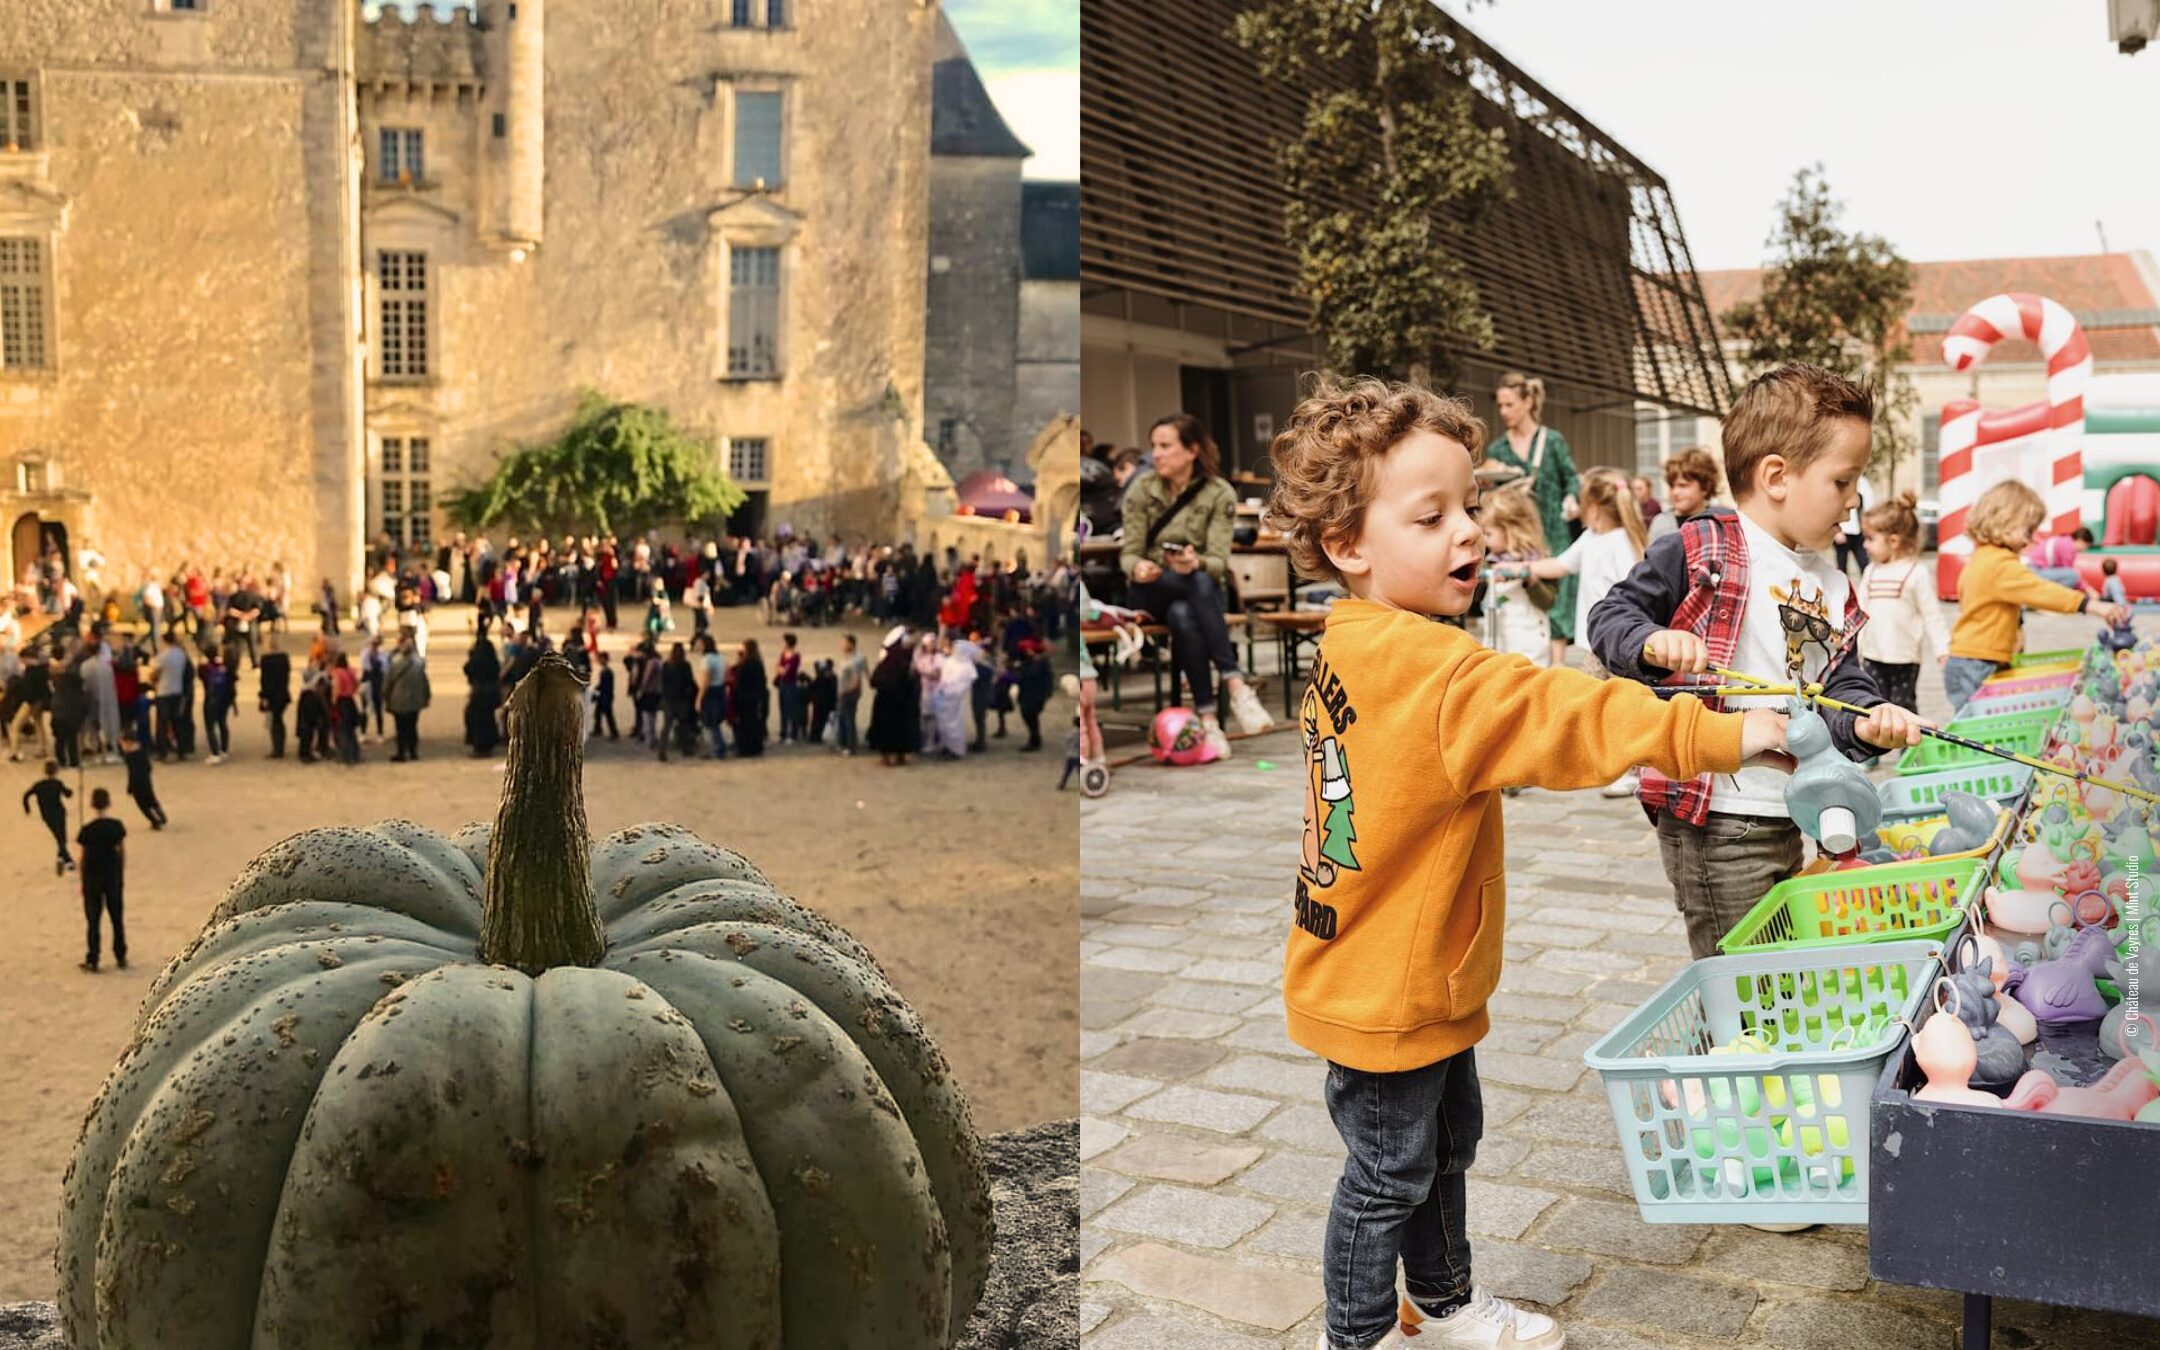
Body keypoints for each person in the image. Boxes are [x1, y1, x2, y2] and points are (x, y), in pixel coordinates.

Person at [1265, 376, 1785, 1350]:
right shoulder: (1435, 669)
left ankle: (1447, 1301)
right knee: (1386, 1176)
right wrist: (1724, 734)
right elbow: (1568, 712)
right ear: (1347, 547)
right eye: (1431, 516)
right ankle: (1360, 1333)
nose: (1469, 531)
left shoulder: (1360, 641)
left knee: (1442, 1148)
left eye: (1469, 505)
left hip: (1408, 971)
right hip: (1387, 984)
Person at [1587, 363, 1928, 959]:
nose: (1853, 503)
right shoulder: (1703, 545)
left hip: (1789, 812)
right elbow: (1609, 618)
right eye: (1843, 483)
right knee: (1742, 977)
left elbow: (1837, 685)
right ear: (1777, 475)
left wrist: (1870, 716)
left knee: (1779, 966)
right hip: (1717, 815)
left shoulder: (1831, 581)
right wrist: (1650, 643)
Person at [1119, 413, 1274, 755]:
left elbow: (1218, 563)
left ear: (1191, 451)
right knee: (1196, 586)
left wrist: (1195, 561)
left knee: (1184, 613)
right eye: (1154, 447)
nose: (1156, 454)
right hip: (1149, 591)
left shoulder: (1219, 493)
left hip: (1193, 591)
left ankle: (1207, 720)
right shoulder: (1142, 489)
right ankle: (1234, 683)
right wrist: (1139, 567)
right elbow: (1127, 554)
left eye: (1165, 446)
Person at [1503, 470, 1649, 790]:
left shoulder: (1622, 542)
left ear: (1594, 506)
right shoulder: (1591, 538)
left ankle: (1631, 770)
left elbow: (1633, 592)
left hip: (1617, 640)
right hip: (1594, 643)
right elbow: (1561, 565)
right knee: (1590, 703)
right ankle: (1573, 761)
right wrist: (1521, 568)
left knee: (1619, 705)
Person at [1945, 480, 2130, 712]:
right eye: (2028, 530)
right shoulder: (1999, 564)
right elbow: (2040, 590)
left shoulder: (1984, 558)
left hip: (1974, 660)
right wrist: (2091, 605)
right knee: (1976, 732)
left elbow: (1993, 603)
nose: (2032, 539)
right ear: (2006, 524)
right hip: (1976, 663)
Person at [1484, 372, 1583, 669]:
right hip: (1519, 534)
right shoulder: (1498, 449)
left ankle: (1557, 666)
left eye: (1509, 404)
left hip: (1554, 530)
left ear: (1528, 402)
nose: (1504, 412)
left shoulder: (1551, 441)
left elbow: (1571, 478)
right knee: (1519, 598)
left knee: (1556, 597)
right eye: (1500, 406)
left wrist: (1572, 499)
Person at [1858, 492, 1951, 715]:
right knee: (1873, 709)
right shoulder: (1870, 572)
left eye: (1871, 539)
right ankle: (1875, 750)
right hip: (1873, 655)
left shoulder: (1916, 572)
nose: (1864, 545)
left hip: (1904, 657)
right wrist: (1854, 650)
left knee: (1903, 708)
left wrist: (1942, 648)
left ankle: (1909, 750)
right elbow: (1859, 614)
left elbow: (1931, 614)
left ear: (1893, 541)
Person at [1474, 487, 1551, 667]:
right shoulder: (1490, 563)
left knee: (1529, 675)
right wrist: (1483, 581)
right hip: (1497, 637)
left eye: (1489, 534)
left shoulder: (1537, 563)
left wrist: (1530, 580)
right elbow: (1476, 600)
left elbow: (1548, 602)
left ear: (1510, 530)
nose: (1484, 539)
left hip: (1529, 640)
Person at [76, 787, 128, 973]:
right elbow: (121, 852)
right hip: (112, 875)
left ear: (91, 804)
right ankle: (120, 954)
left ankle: (93, 957)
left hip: (93, 877)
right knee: (116, 918)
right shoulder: (116, 826)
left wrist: (82, 880)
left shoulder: (87, 830)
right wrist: (120, 873)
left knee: (93, 920)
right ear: (108, 803)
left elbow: (83, 857)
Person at [866, 627, 921, 766]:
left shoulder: (891, 661)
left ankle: (889, 757)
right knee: (899, 729)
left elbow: (875, 681)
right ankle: (898, 756)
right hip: (900, 702)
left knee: (888, 729)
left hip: (889, 702)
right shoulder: (904, 660)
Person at [1646, 448, 1725, 543]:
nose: (1675, 492)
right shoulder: (1661, 524)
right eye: (1672, 486)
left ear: (1705, 487)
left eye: (1683, 485)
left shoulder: (1718, 522)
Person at [23, 759, 73, 874]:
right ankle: (67, 860)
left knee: (59, 837)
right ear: (56, 771)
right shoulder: (58, 784)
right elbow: (67, 794)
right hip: (59, 813)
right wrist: (71, 792)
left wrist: (27, 809)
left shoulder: (39, 785)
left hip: (47, 815)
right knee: (61, 837)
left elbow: (26, 795)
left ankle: (63, 859)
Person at [385, 636, 430, 762]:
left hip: (398, 701)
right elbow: (425, 683)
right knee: (412, 727)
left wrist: (386, 697)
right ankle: (413, 751)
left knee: (401, 728)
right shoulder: (419, 665)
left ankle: (401, 753)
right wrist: (426, 697)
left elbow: (387, 683)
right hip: (415, 701)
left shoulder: (395, 665)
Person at [464, 633, 502, 756]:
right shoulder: (492, 661)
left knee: (478, 720)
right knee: (488, 719)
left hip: (479, 693)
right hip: (490, 693)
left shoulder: (477, 661)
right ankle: (488, 744)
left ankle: (480, 746)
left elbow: (468, 670)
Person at [729, 638, 769, 757]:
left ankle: (745, 749)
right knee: (754, 723)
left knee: (744, 725)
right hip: (756, 697)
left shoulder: (745, 665)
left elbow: (738, 682)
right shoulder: (758, 663)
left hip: (744, 698)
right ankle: (756, 747)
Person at [2025, 524, 2095, 592]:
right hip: (2036, 571)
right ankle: (2053, 595)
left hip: (2035, 569)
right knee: (2074, 575)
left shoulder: (2064, 540)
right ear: (2080, 540)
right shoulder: (2069, 546)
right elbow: (2070, 573)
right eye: (2086, 546)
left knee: (2073, 575)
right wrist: (2087, 589)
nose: (2084, 549)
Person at [659, 641, 697, 761]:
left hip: (669, 699)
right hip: (682, 699)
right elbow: (689, 682)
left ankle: (662, 751)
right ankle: (686, 748)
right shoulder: (685, 665)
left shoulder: (666, 665)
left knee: (666, 726)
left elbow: (663, 681)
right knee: (684, 724)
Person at [119, 732, 166, 829]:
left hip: (137, 785)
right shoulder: (142, 751)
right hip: (147, 781)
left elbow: (132, 773)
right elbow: (149, 767)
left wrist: (130, 787)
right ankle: (161, 814)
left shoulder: (129, 757)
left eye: (122, 744)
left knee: (143, 805)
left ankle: (155, 821)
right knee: (151, 800)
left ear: (128, 743)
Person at [1835, 473, 1875, 580]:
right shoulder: (1840, 480)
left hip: (1859, 532)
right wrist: (1837, 532)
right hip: (1844, 530)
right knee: (1842, 567)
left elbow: (1869, 506)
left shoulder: (1864, 482)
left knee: (1864, 564)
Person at [1014, 637, 1052, 751]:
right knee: (1028, 716)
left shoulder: (1042, 663)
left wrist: (1046, 694)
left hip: (1035, 694)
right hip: (1026, 693)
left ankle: (1034, 739)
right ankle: (1034, 738)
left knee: (1031, 716)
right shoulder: (1027, 662)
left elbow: (1047, 680)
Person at [694, 634, 729, 758]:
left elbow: (705, 681)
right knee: (715, 721)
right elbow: (726, 674)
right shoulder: (720, 657)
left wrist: (699, 698)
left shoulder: (707, 660)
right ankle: (718, 746)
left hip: (710, 692)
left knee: (710, 722)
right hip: (720, 689)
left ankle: (718, 747)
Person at [258, 632, 292, 759]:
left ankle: (277, 749)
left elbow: (264, 681)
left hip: (272, 694)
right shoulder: (284, 658)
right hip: (282, 692)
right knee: (279, 720)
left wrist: (263, 696)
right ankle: (280, 746)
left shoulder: (266, 660)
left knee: (274, 722)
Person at [198, 644, 233, 764]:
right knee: (222, 723)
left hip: (210, 698)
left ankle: (215, 752)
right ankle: (224, 750)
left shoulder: (204, 668)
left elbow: (201, 677)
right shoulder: (223, 667)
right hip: (223, 698)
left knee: (210, 727)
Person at [835, 632, 867, 756]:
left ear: (851, 644)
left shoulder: (856, 659)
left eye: (844, 642)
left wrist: (846, 691)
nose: (841, 645)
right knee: (842, 718)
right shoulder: (847, 657)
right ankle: (843, 743)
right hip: (843, 691)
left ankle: (850, 745)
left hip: (848, 693)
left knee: (848, 719)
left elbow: (856, 678)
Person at [295, 655, 330, 764]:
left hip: (308, 697)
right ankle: (305, 753)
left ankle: (306, 752)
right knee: (308, 728)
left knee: (307, 727)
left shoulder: (314, 674)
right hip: (310, 698)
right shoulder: (316, 676)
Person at [331, 651, 362, 766]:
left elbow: (336, 688)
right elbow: (356, 684)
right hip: (350, 700)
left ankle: (345, 756)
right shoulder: (351, 671)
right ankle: (355, 754)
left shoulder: (337, 673)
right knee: (351, 731)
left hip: (342, 701)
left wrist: (333, 703)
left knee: (342, 730)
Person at [775, 631, 804, 743]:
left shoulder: (796, 656)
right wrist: (781, 669)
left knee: (790, 709)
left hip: (790, 684)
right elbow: (778, 667)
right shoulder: (783, 654)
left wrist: (781, 669)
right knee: (782, 709)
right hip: (783, 683)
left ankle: (793, 733)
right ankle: (783, 732)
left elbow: (789, 671)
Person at [590, 649, 620, 742]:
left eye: (599, 659)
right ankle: (598, 728)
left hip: (605, 696)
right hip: (603, 696)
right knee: (598, 713)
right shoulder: (605, 671)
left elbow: (604, 686)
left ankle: (614, 732)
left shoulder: (607, 672)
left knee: (608, 715)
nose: (598, 661)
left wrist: (596, 692)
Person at [807, 657, 837, 746]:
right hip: (825, 703)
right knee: (821, 720)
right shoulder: (832, 677)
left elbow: (813, 687)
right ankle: (817, 736)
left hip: (821, 703)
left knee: (819, 720)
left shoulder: (823, 677)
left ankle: (816, 736)